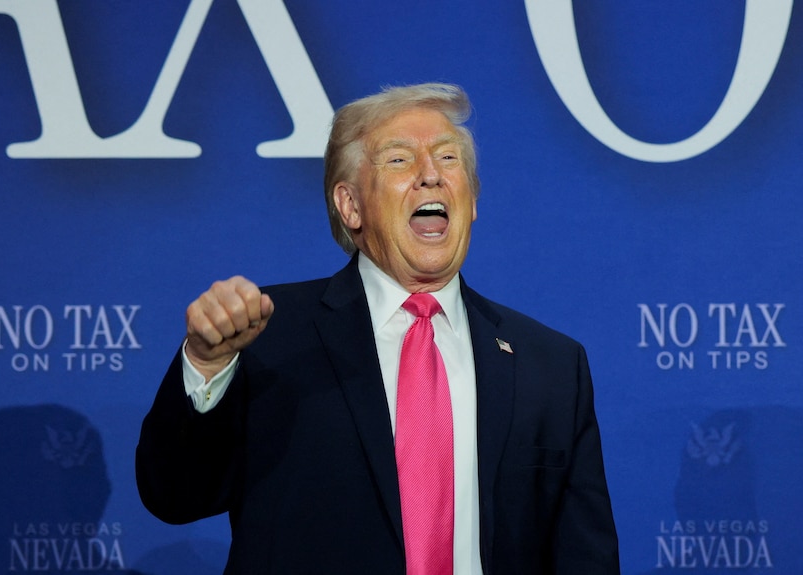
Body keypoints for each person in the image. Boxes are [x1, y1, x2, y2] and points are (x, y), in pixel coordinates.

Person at [136, 82, 619, 574]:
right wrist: (209, 364)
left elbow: (585, 556)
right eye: (399, 160)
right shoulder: (272, 335)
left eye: (449, 159)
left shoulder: (552, 365)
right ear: (350, 206)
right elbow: (174, 495)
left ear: (471, 200)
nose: (431, 176)